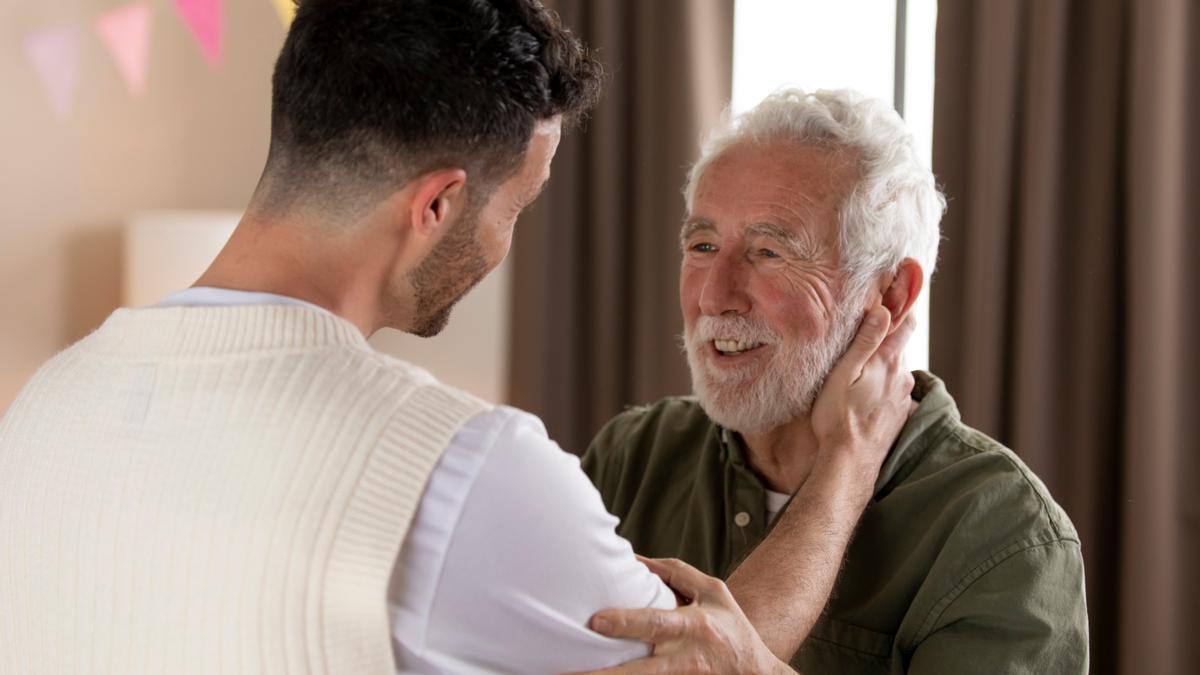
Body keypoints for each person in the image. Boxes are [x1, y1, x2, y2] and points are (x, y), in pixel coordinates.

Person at [0, 4, 914, 674]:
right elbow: (709, 656)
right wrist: (845, 468)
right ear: (438, 205)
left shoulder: (42, 408)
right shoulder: (460, 467)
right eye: (516, 207)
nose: (506, 243)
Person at [580, 88, 1090, 673]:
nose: (714, 296)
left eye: (769, 252)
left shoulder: (1004, 531)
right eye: (703, 245)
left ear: (891, 294)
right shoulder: (632, 458)